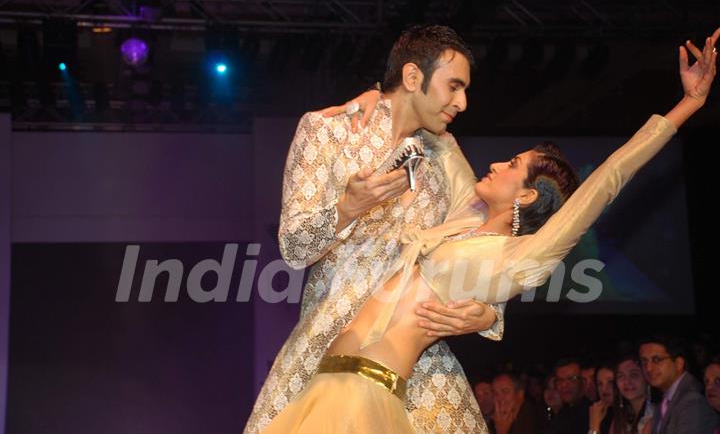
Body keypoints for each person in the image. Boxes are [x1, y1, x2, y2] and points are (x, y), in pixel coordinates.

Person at [259, 29, 720, 433]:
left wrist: (688, 105)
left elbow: (609, 179)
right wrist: (378, 94)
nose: (497, 162)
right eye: (454, 86)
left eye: (513, 164)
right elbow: (431, 123)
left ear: (526, 197)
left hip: (379, 387)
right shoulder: (462, 216)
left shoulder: (521, 254)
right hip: (326, 365)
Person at [244, 25, 505, 434]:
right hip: (330, 343)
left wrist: (488, 312)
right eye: (454, 86)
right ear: (413, 77)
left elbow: (483, 240)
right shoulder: (328, 131)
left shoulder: (444, 157)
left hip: (417, 355)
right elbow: (294, 249)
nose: (463, 102)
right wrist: (349, 207)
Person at [639, 335, 720, 433]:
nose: (648, 368)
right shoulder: (666, 399)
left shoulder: (693, 400)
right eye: (644, 361)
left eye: (656, 360)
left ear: (678, 363)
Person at [589, 363, 615, 434]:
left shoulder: (628, 414)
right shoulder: (598, 412)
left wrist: (594, 427)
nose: (604, 389)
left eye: (610, 382)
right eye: (600, 384)